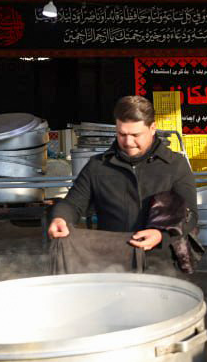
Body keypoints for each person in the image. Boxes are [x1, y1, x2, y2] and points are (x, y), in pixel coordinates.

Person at [48, 95, 198, 262]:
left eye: (136, 134)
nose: (128, 142)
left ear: (153, 128)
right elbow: (73, 204)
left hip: (161, 260)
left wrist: (161, 235)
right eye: (121, 134)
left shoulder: (175, 165)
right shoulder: (98, 166)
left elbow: (190, 215)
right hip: (111, 260)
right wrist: (61, 218)